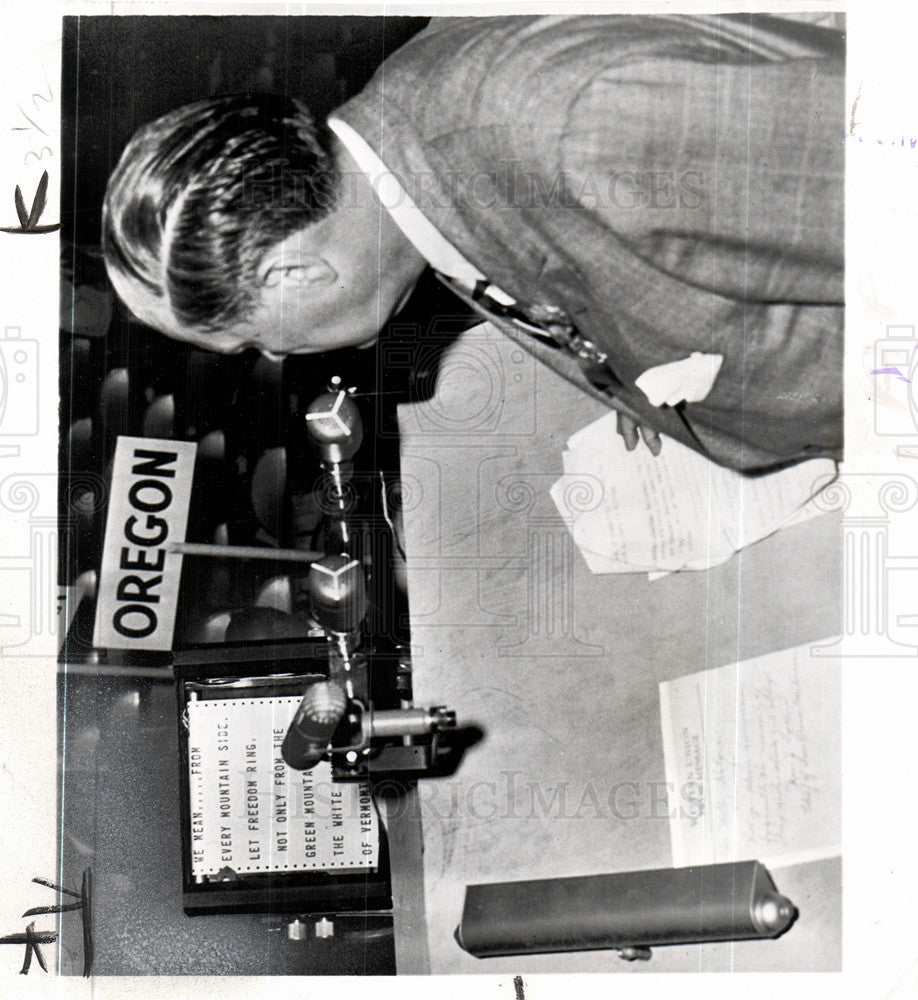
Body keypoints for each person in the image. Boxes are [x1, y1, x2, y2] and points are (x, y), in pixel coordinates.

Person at [102, 13, 844, 472]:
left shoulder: (582, 131)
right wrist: (635, 335)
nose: (274, 357)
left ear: (291, 272)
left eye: (251, 341)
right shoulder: (407, 160)